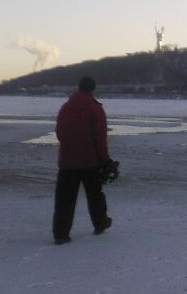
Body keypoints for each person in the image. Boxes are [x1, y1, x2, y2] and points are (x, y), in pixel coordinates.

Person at [52, 76, 113, 245]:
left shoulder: (65, 107)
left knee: (64, 199)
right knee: (95, 195)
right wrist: (105, 159)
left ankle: (60, 234)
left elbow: (59, 133)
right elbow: (100, 138)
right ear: (92, 89)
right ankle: (100, 223)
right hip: (90, 161)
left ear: (78, 88)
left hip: (67, 161)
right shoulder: (95, 109)